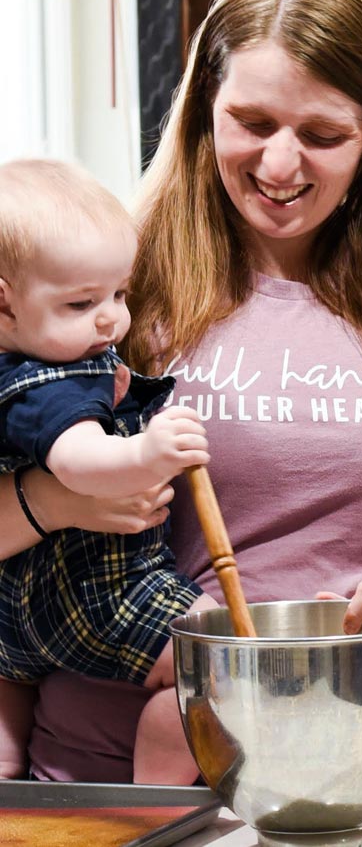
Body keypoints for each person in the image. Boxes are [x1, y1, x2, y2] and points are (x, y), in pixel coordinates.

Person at [0, 0, 362, 809]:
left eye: (322, 135)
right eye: (252, 122)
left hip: (353, 779)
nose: (280, 166)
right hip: (114, 794)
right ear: (206, 107)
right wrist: (56, 500)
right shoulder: (106, 279)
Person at [0, 158, 211, 784]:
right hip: (89, 593)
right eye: (81, 302)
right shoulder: (43, 385)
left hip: (15, 615)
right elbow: (79, 463)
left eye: (119, 294)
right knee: (212, 652)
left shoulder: (50, 358)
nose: (110, 319)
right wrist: (150, 452)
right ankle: (156, 797)